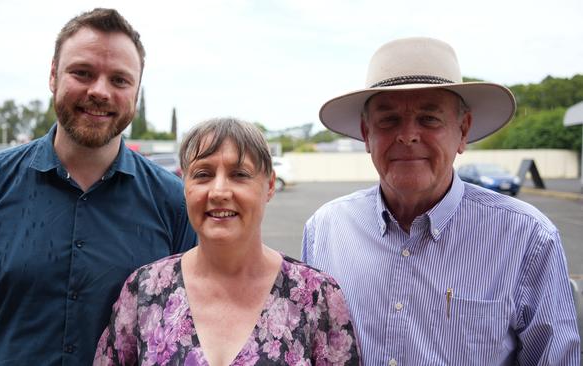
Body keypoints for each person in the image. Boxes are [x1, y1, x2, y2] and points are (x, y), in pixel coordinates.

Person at [0, 8, 196, 365]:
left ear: (136, 92)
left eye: (120, 80)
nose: (100, 91)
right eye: (83, 73)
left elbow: (181, 321)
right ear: (53, 75)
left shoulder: (173, 203)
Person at [302, 37, 580, 364]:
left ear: (463, 131)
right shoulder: (325, 230)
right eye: (388, 120)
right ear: (366, 134)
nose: (407, 135)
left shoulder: (526, 238)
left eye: (429, 119)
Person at [93, 118, 361, 365]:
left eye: (239, 174)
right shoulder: (144, 290)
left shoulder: (316, 296)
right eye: (203, 174)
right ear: (185, 186)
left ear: (269, 186)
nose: (219, 191)